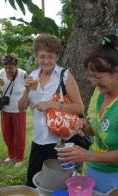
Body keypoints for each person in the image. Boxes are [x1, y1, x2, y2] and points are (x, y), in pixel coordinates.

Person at [57, 34, 118, 193]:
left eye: (98, 77)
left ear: (117, 72)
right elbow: (97, 131)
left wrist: (86, 155)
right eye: (91, 77)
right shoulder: (103, 96)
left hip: (112, 178)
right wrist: (84, 126)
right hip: (93, 170)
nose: (94, 83)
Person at [18, 33, 84, 187]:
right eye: (42, 57)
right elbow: (21, 108)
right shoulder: (32, 77)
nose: (46, 61)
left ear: (56, 56)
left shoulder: (64, 76)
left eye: (50, 57)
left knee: (57, 185)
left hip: (59, 142)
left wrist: (52, 104)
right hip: (37, 140)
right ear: (36, 56)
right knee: (32, 183)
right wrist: (26, 90)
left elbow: (79, 107)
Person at [0, 53, 28, 167]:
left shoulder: (23, 74)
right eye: (6, 67)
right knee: (7, 134)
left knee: (19, 135)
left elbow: (33, 88)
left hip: (19, 110)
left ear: (16, 65)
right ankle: (11, 155)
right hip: (5, 109)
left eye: (10, 67)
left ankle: (19, 158)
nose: (8, 70)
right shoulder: (1, 72)